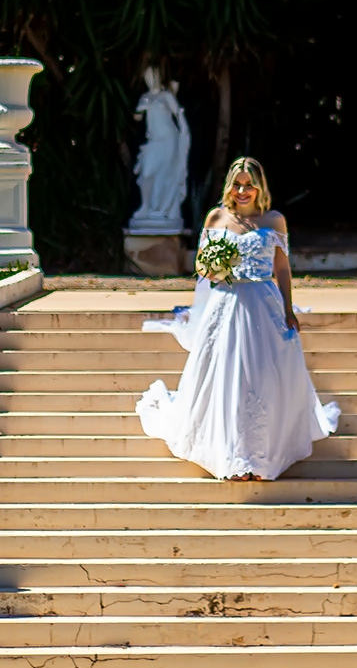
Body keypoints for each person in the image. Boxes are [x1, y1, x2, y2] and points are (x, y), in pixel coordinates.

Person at [137, 157, 339, 480]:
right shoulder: (216, 218)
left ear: (260, 187)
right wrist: (213, 268)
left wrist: (288, 309)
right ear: (229, 186)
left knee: (261, 379)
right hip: (226, 306)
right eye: (237, 184)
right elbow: (202, 268)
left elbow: (283, 269)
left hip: (263, 305)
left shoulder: (274, 221)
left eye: (249, 184)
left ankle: (260, 458)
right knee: (228, 379)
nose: (243, 190)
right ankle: (231, 457)